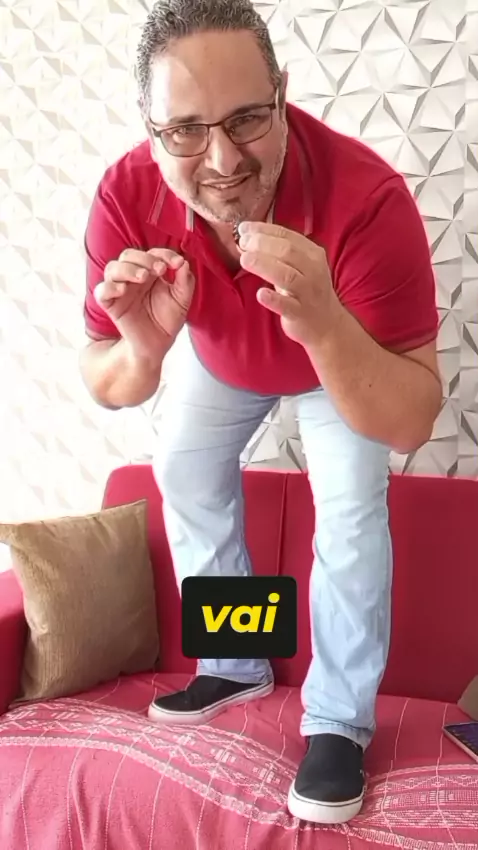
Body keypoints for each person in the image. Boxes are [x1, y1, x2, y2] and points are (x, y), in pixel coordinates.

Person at [79, 0, 441, 826]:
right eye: (186, 130)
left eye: (247, 118)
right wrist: (143, 351)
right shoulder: (126, 194)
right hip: (223, 358)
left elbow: (412, 419)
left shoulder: (368, 199)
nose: (222, 160)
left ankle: (338, 721)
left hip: (338, 362)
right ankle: (238, 660)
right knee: (182, 468)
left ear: (282, 95)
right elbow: (107, 380)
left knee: (349, 510)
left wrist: (326, 324)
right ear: (150, 129)